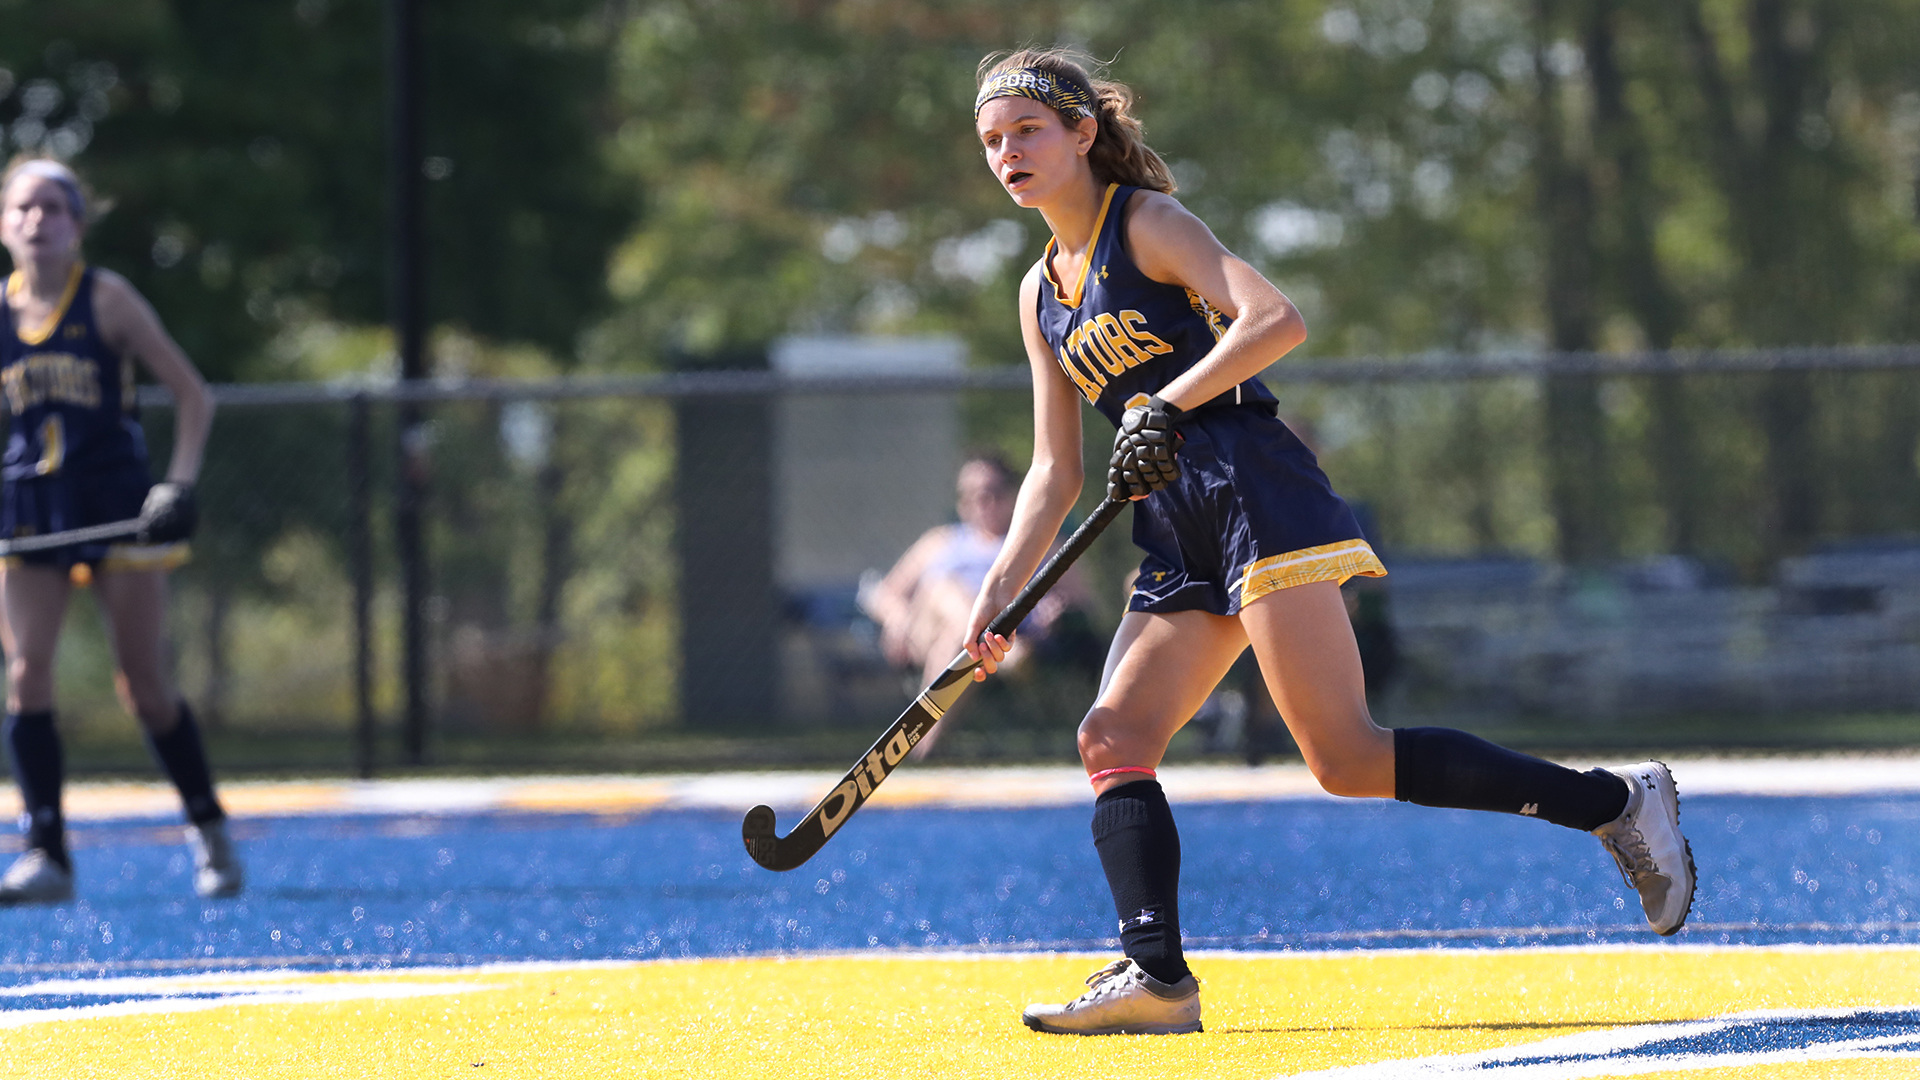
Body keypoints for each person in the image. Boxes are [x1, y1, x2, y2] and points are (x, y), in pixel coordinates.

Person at [961, 50, 1694, 1036]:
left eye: (1028, 132)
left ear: (1083, 133)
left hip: (1255, 493)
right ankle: (1158, 979)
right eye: (994, 140)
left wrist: (1163, 404)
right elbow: (1053, 473)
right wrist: (1002, 596)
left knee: (1343, 756)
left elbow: (1275, 319)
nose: (1009, 153)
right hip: (1178, 523)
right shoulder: (1038, 292)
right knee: (1113, 737)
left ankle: (1614, 802)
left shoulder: (1148, 224)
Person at [0, 156, 241, 903]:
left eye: (54, 208)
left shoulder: (106, 301)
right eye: (23, 209)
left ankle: (208, 831)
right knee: (25, 672)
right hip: (30, 515)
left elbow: (193, 395)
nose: (38, 221)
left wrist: (179, 483)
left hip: (118, 510)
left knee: (144, 688)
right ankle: (47, 853)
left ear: (79, 223)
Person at [859, 451, 1086, 757]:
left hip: (996, 642)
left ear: (1013, 495)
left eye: (991, 493)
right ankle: (987, 646)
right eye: (971, 495)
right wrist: (897, 619)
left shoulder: (1039, 545)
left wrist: (1058, 611)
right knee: (945, 589)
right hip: (944, 637)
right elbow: (885, 594)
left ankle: (923, 747)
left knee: (958, 635)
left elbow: (1084, 604)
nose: (982, 503)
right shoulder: (941, 541)